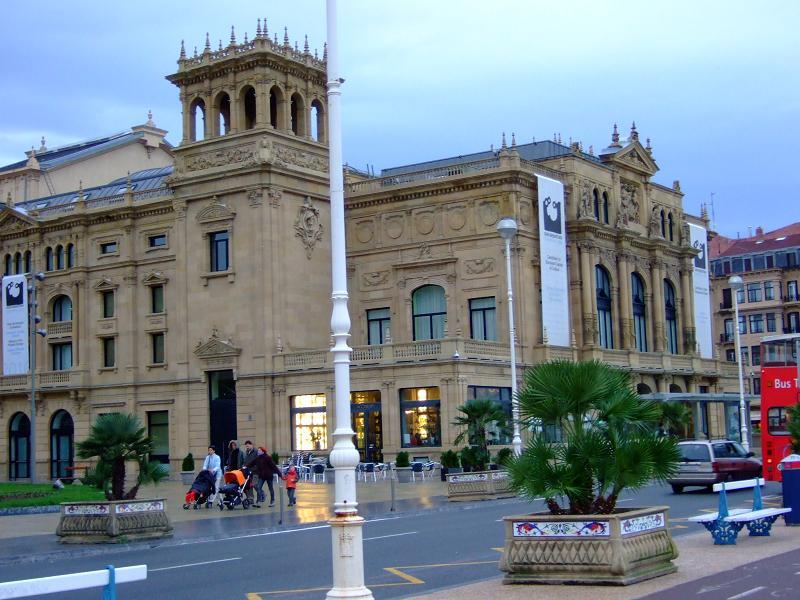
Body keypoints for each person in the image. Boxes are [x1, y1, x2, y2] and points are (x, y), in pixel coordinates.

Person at [242, 440, 258, 505]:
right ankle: (251, 499)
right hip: (248, 472)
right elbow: (245, 462)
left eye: (248, 446)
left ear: (252, 445)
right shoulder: (246, 453)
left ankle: (262, 495)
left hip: (255, 472)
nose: (247, 447)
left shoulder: (256, 452)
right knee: (249, 486)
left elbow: (257, 462)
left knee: (255, 485)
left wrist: (254, 469)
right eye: (246, 446)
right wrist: (243, 466)